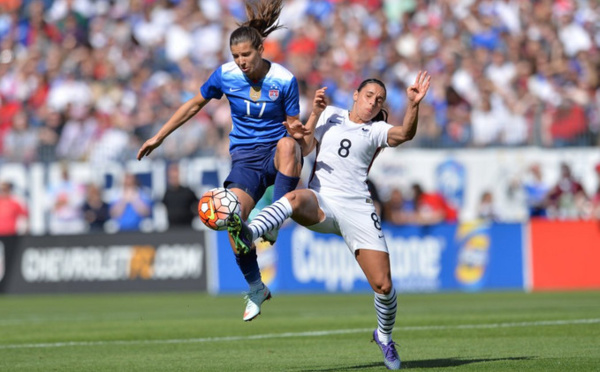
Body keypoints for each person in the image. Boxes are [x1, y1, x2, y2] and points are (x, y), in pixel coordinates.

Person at [229, 71, 431, 370]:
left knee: (383, 285)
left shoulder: (376, 130)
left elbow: (405, 134)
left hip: (357, 209)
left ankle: (384, 336)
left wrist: (413, 104)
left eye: (379, 101)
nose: (373, 103)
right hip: (321, 200)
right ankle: (251, 231)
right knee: (294, 197)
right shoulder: (332, 115)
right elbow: (306, 146)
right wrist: (315, 113)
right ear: (355, 95)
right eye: (368, 96)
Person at [136, 0, 305, 321]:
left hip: (278, 152)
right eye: (236, 56)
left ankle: (275, 219)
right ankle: (257, 287)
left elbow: (297, 134)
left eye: (247, 55)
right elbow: (193, 104)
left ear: (261, 49)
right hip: (245, 158)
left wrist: (304, 130)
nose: (241, 62)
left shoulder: (284, 80)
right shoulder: (225, 75)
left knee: (287, 144)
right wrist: (159, 136)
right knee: (233, 221)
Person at [162, 163, 199, 229]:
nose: (173, 179)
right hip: (172, 229)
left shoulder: (188, 192)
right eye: (171, 177)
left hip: (187, 228)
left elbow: (197, 205)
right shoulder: (167, 194)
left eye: (175, 177)